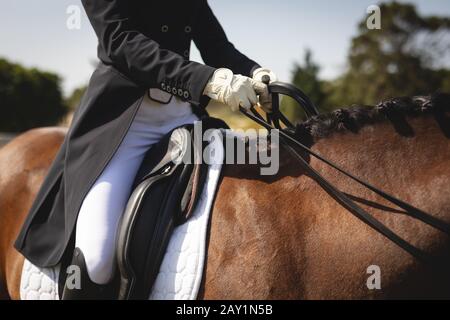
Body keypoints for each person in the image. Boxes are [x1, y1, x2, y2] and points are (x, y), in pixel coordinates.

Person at [14, 0, 277, 299]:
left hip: (184, 120)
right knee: (98, 258)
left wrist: (254, 72)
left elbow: (215, 44)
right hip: (124, 124)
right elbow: (121, 42)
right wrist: (208, 80)